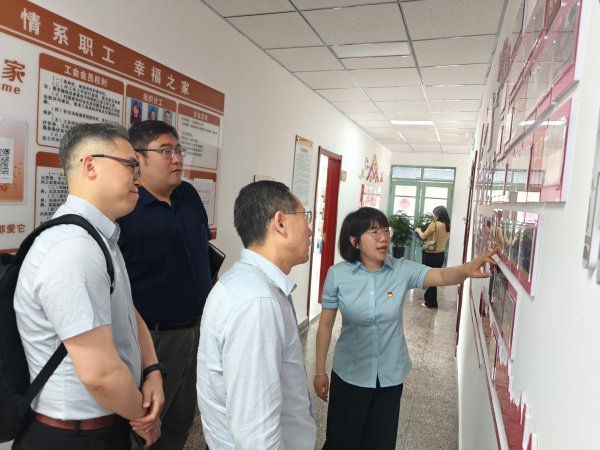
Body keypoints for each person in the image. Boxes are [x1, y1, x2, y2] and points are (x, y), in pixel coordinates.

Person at [13, 122, 163, 450]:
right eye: (130, 165)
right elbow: (100, 375)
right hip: (75, 437)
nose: (138, 178)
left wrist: (152, 369)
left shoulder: (98, 237)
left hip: (101, 426)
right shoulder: (74, 248)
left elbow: (125, 308)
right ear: (90, 165)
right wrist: (145, 419)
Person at [314, 207, 496, 450]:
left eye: (385, 230)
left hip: (389, 376)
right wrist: (319, 371)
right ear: (354, 241)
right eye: (374, 232)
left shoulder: (401, 269)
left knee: (379, 443)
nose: (383, 237)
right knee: (341, 441)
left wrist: (465, 270)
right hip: (350, 373)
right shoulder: (338, 275)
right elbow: (325, 324)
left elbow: (441, 276)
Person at [197, 180, 317, 450]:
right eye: (305, 218)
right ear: (280, 223)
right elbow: (257, 435)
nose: (310, 230)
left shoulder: (245, 282)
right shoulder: (257, 302)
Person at [117, 120, 212, 450]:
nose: (178, 159)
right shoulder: (126, 207)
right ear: (138, 158)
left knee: (181, 420)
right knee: (146, 426)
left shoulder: (188, 195)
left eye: (179, 150)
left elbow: (201, 252)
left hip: (196, 332)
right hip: (153, 339)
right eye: (166, 151)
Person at [415, 205, 451, 308]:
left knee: (429, 278)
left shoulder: (434, 224)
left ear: (438, 215)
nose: (433, 216)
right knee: (435, 278)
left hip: (431, 254)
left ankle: (429, 302)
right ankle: (433, 302)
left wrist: (418, 230)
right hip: (440, 254)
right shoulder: (447, 225)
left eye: (434, 214)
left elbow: (423, 236)